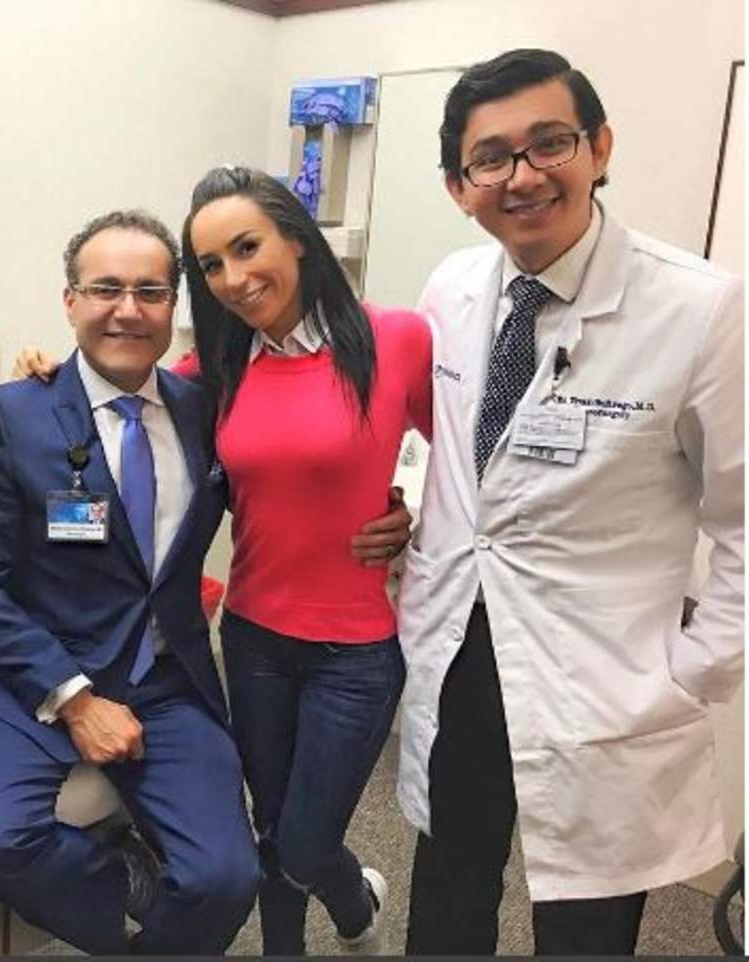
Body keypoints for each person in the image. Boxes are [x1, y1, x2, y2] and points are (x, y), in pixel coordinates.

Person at [398, 48, 744, 956]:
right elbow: (431, 442)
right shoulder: (450, 288)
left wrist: (697, 668)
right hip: (463, 644)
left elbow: (744, 518)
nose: (523, 175)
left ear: (599, 148)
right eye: (491, 158)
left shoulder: (701, 309)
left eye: (549, 143)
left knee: (587, 924)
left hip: (608, 673)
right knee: (448, 895)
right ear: (458, 187)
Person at [0, 210, 262, 955]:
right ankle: (124, 880)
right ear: (70, 302)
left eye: (150, 292)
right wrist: (75, 698)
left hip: (166, 676)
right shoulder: (12, 415)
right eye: (105, 289)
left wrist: (385, 515)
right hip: (33, 676)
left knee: (225, 879)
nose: (128, 309)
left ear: (174, 306)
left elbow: (283, 484)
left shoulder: (204, 410)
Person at [178, 165, 433, 955]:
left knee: (306, 841)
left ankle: (356, 902)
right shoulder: (217, 366)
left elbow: (466, 458)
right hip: (254, 636)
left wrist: (414, 518)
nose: (232, 278)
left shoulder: (395, 338)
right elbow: (118, 400)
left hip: (354, 651)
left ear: (295, 238)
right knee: (269, 828)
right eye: (211, 265)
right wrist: (42, 376)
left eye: (246, 247)